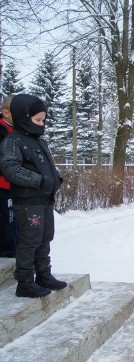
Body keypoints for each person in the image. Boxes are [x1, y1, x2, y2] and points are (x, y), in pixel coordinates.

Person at [0, 94, 67, 298]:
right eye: (37, 120)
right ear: (23, 117)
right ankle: (25, 281)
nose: (41, 124)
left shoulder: (38, 141)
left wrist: (56, 178)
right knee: (29, 241)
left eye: (43, 120)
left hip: (44, 200)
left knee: (45, 238)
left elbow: (47, 165)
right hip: (28, 202)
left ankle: (44, 274)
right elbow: (10, 168)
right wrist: (38, 180)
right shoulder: (13, 141)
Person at [0, 95, 18, 258]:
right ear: (5, 112)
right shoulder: (2, 130)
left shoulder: (20, 129)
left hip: (19, 186)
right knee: (8, 225)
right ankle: (7, 259)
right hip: (4, 186)